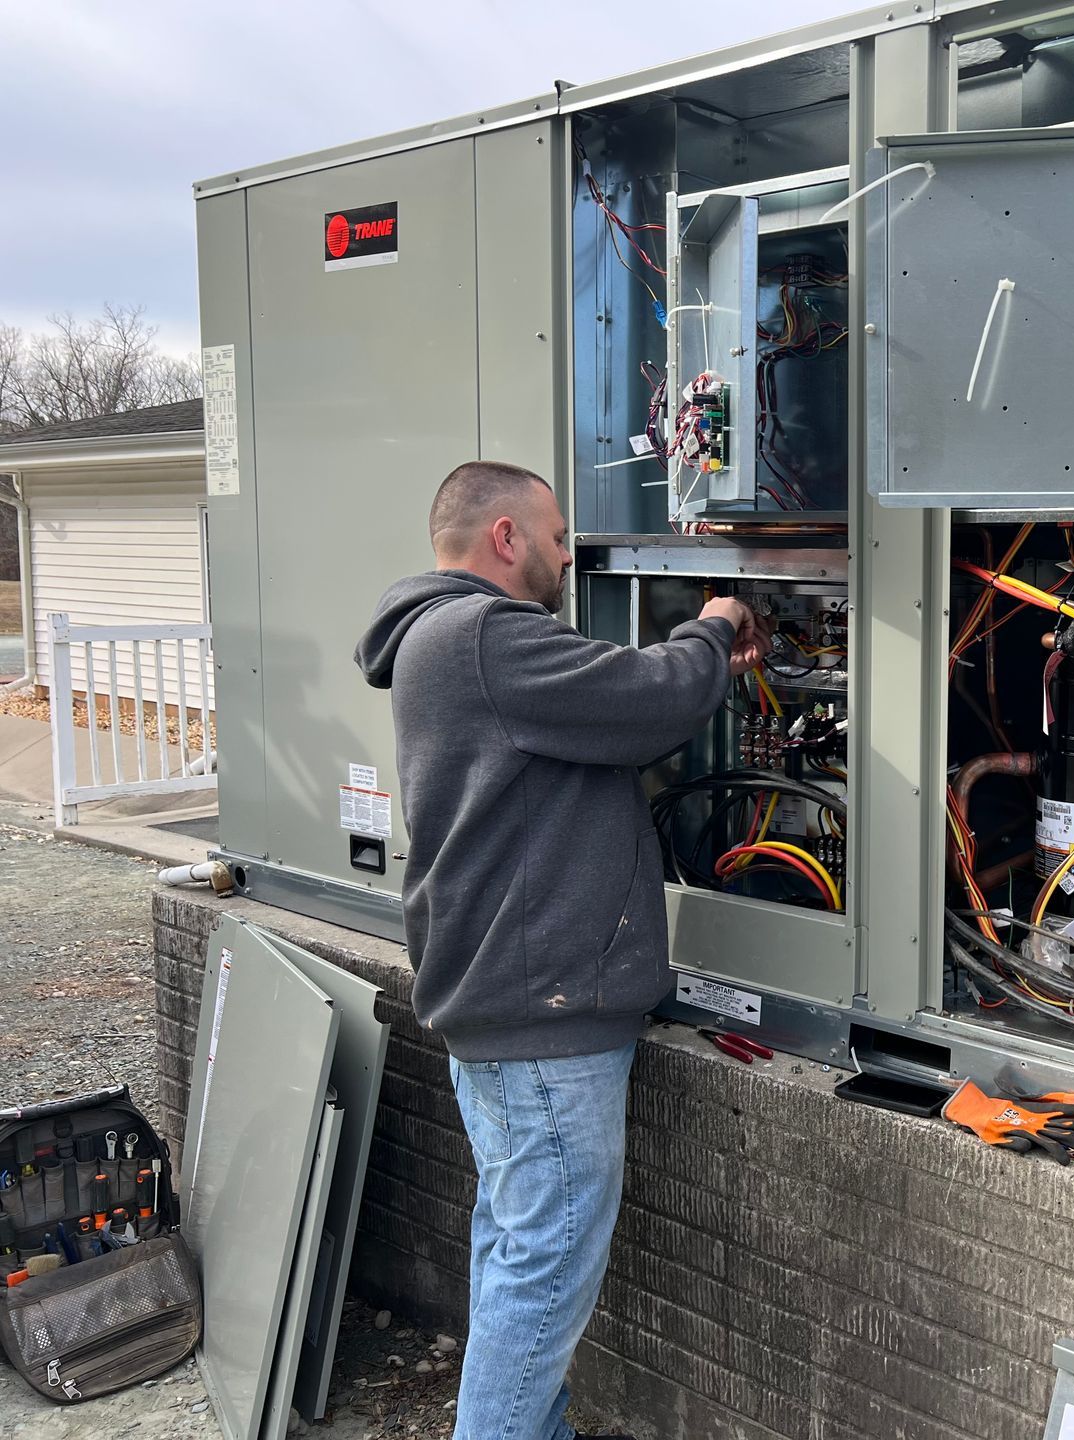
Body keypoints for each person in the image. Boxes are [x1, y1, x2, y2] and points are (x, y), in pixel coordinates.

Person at [354, 460, 767, 1440]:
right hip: (541, 1023)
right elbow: (647, 701)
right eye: (553, 536)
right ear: (504, 537)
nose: (567, 554)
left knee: (519, 1251)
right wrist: (714, 625)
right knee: (543, 1272)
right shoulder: (483, 636)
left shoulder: (443, 639)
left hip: (510, 1011)